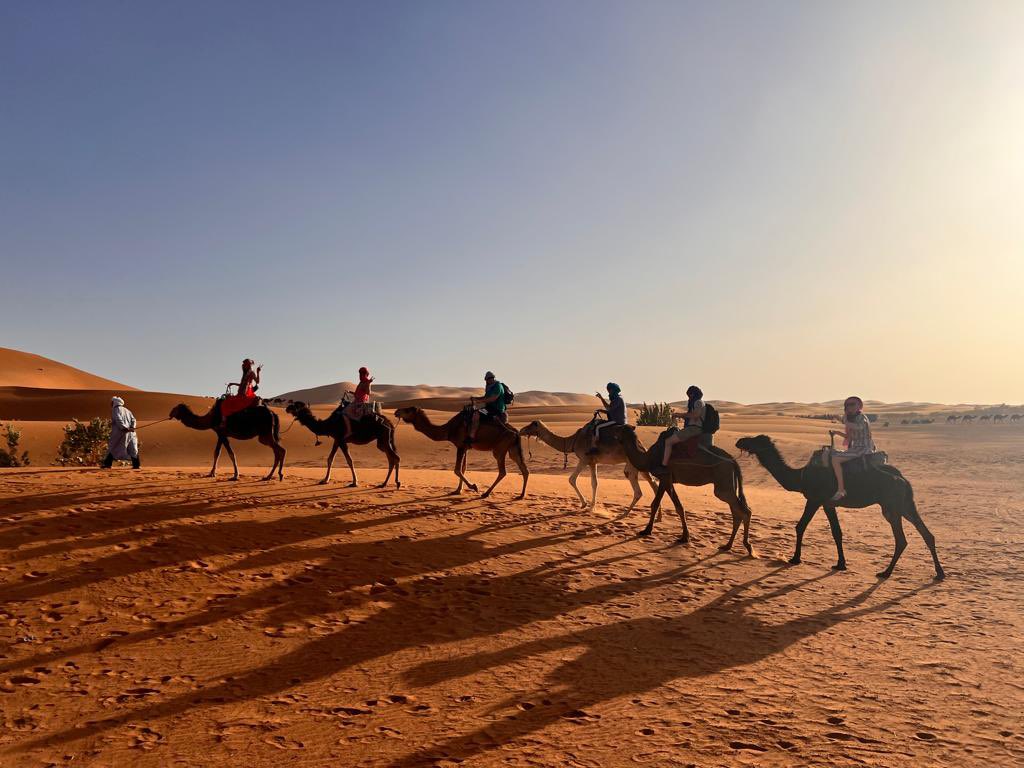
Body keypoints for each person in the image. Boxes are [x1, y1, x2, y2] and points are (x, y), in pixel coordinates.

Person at [828, 395, 876, 501]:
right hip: (856, 448)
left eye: (853, 404)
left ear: (859, 406)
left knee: (835, 460)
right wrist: (836, 433)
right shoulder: (851, 419)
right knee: (831, 453)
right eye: (847, 405)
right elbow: (849, 437)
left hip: (863, 448)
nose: (850, 407)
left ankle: (841, 490)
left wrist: (843, 420)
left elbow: (859, 427)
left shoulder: (861, 417)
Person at [661, 385, 706, 466]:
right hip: (694, 428)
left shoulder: (698, 402)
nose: (689, 397)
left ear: (693, 394)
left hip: (693, 429)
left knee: (668, 442)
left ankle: (664, 465)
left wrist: (680, 415)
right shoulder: (698, 402)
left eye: (690, 395)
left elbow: (696, 414)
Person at [220, 358, 261, 429]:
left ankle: (224, 422)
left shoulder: (251, 373)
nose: (243, 366)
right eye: (243, 365)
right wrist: (233, 384)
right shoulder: (245, 373)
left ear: (248, 365)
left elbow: (257, 382)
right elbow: (243, 384)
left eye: (245, 365)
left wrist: (258, 372)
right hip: (241, 392)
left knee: (226, 403)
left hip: (245, 394)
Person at [468, 371, 507, 444]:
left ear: (493, 378)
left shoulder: (497, 386)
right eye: (487, 379)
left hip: (496, 410)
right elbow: (485, 398)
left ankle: (471, 436)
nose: (488, 380)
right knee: (473, 410)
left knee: (476, 413)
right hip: (490, 408)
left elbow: (492, 398)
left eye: (490, 378)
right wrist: (476, 399)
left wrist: (478, 400)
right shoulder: (490, 387)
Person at [101, 396, 140, 469]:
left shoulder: (115, 410)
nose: (111, 403)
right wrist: (132, 427)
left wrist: (124, 428)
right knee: (133, 448)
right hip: (131, 433)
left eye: (112, 402)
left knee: (113, 447)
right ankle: (136, 465)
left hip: (120, 432)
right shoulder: (127, 410)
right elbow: (133, 420)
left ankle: (107, 464)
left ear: (115, 402)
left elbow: (118, 419)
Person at [590, 382, 628, 452]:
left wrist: (601, 398)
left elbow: (609, 408)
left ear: (613, 390)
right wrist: (601, 410)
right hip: (619, 420)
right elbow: (611, 411)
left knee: (597, 427)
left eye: (609, 391)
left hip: (617, 421)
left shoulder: (617, 399)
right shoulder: (618, 398)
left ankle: (594, 446)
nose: (609, 393)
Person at [342, 366, 374, 440]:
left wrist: (368, 383)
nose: (360, 375)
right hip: (357, 401)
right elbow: (358, 393)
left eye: (361, 373)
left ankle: (349, 431)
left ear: (365, 374)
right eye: (360, 373)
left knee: (344, 413)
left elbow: (368, 393)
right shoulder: (362, 382)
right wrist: (349, 392)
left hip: (360, 403)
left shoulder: (366, 382)